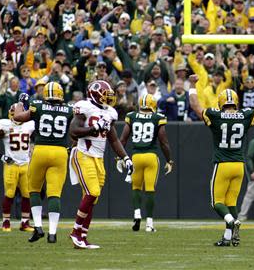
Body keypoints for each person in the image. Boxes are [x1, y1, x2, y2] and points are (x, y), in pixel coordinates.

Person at [189, 74, 254, 247]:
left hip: (222, 164)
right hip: (238, 165)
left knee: (217, 202)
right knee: (231, 203)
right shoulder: (244, 115)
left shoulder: (215, 115)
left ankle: (232, 222)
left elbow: (195, 106)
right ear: (236, 102)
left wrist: (192, 84)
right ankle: (229, 238)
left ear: (221, 102)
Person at [69, 80, 133, 249]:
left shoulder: (110, 112)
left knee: (92, 199)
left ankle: (82, 237)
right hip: (83, 154)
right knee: (92, 192)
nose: (108, 98)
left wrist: (125, 158)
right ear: (95, 94)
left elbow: (113, 139)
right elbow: (73, 131)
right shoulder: (84, 107)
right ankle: (75, 232)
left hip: (98, 158)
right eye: (106, 95)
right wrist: (93, 128)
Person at [13, 82, 73, 244]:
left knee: (34, 190)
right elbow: (75, 132)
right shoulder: (69, 109)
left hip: (40, 150)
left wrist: (20, 102)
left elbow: (18, 118)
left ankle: (38, 227)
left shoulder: (37, 105)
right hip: (60, 152)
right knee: (54, 193)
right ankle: (52, 233)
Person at [119, 93, 173, 232]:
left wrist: (120, 157)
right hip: (151, 157)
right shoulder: (158, 117)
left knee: (136, 187)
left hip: (136, 157)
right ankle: (149, 224)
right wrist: (169, 160)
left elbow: (123, 139)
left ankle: (137, 214)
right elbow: (163, 141)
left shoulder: (132, 116)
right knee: (150, 189)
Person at [0, 104, 35, 232]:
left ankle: (25, 222)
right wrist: (2, 157)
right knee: (9, 194)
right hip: (11, 164)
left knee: (27, 194)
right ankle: (6, 222)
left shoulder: (29, 126)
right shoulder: (5, 125)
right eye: (14, 113)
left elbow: (36, 139)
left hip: (25, 164)